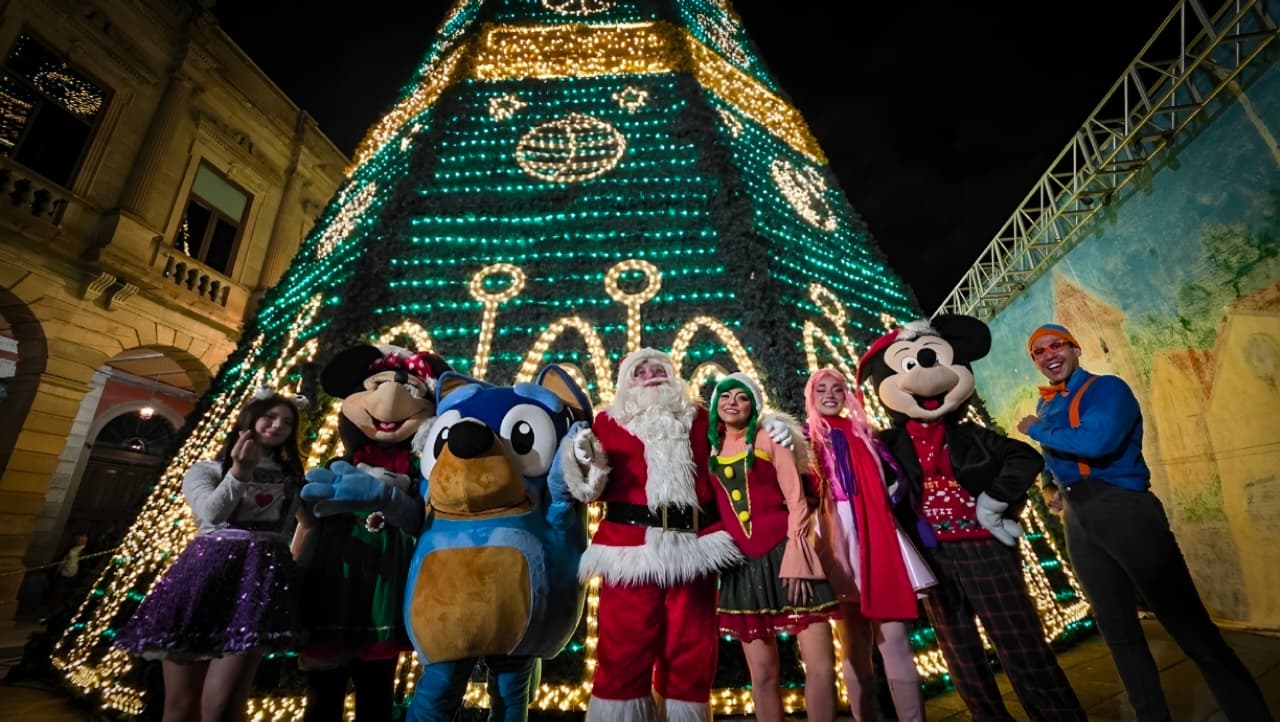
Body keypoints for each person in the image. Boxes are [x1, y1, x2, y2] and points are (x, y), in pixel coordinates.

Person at [1018, 323, 1274, 722]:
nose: (1049, 355)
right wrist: (1050, 485)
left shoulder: (1107, 389)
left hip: (1123, 509)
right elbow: (1057, 453)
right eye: (1039, 352)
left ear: (1075, 348)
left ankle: (1251, 714)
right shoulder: (1050, 405)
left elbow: (1095, 442)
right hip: (1080, 520)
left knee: (1189, 627)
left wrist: (1035, 428)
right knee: (1117, 630)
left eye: (1057, 346)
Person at [563, 349, 800, 722]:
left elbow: (743, 438)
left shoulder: (703, 419)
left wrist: (772, 427)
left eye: (658, 367)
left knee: (691, 648)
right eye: (639, 370)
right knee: (623, 646)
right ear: (626, 381)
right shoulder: (607, 423)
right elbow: (590, 490)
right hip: (631, 551)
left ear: (673, 376)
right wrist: (583, 462)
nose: (651, 373)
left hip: (696, 546)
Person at [114, 389, 308, 722]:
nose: (278, 426)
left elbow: (307, 524)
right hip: (201, 581)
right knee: (180, 705)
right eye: (270, 417)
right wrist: (239, 472)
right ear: (249, 419)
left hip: (256, 587)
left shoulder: (292, 477)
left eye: (287, 422)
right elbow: (211, 517)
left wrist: (294, 566)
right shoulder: (206, 470)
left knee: (223, 703)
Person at [705, 372, 839, 722]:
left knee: (822, 665)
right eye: (725, 396)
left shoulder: (769, 438)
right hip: (742, 568)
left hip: (787, 554)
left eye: (741, 397)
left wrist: (797, 554)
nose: (732, 402)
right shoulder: (710, 450)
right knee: (762, 676)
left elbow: (797, 501)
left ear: (754, 405)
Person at [804, 368, 933, 722]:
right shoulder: (804, 439)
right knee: (853, 645)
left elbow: (896, 483)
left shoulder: (866, 435)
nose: (830, 395)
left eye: (838, 389)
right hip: (836, 540)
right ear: (811, 396)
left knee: (895, 641)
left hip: (878, 535)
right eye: (821, 390)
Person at [44, 531, 89, 621]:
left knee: (64, 599)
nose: (80, 541)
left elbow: (84, 567)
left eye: (82, 539)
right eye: (79, 539)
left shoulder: (84, 552)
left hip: (73, 578)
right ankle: (51, 615)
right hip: (63, 576)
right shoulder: (69, 550)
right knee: (56, 596)